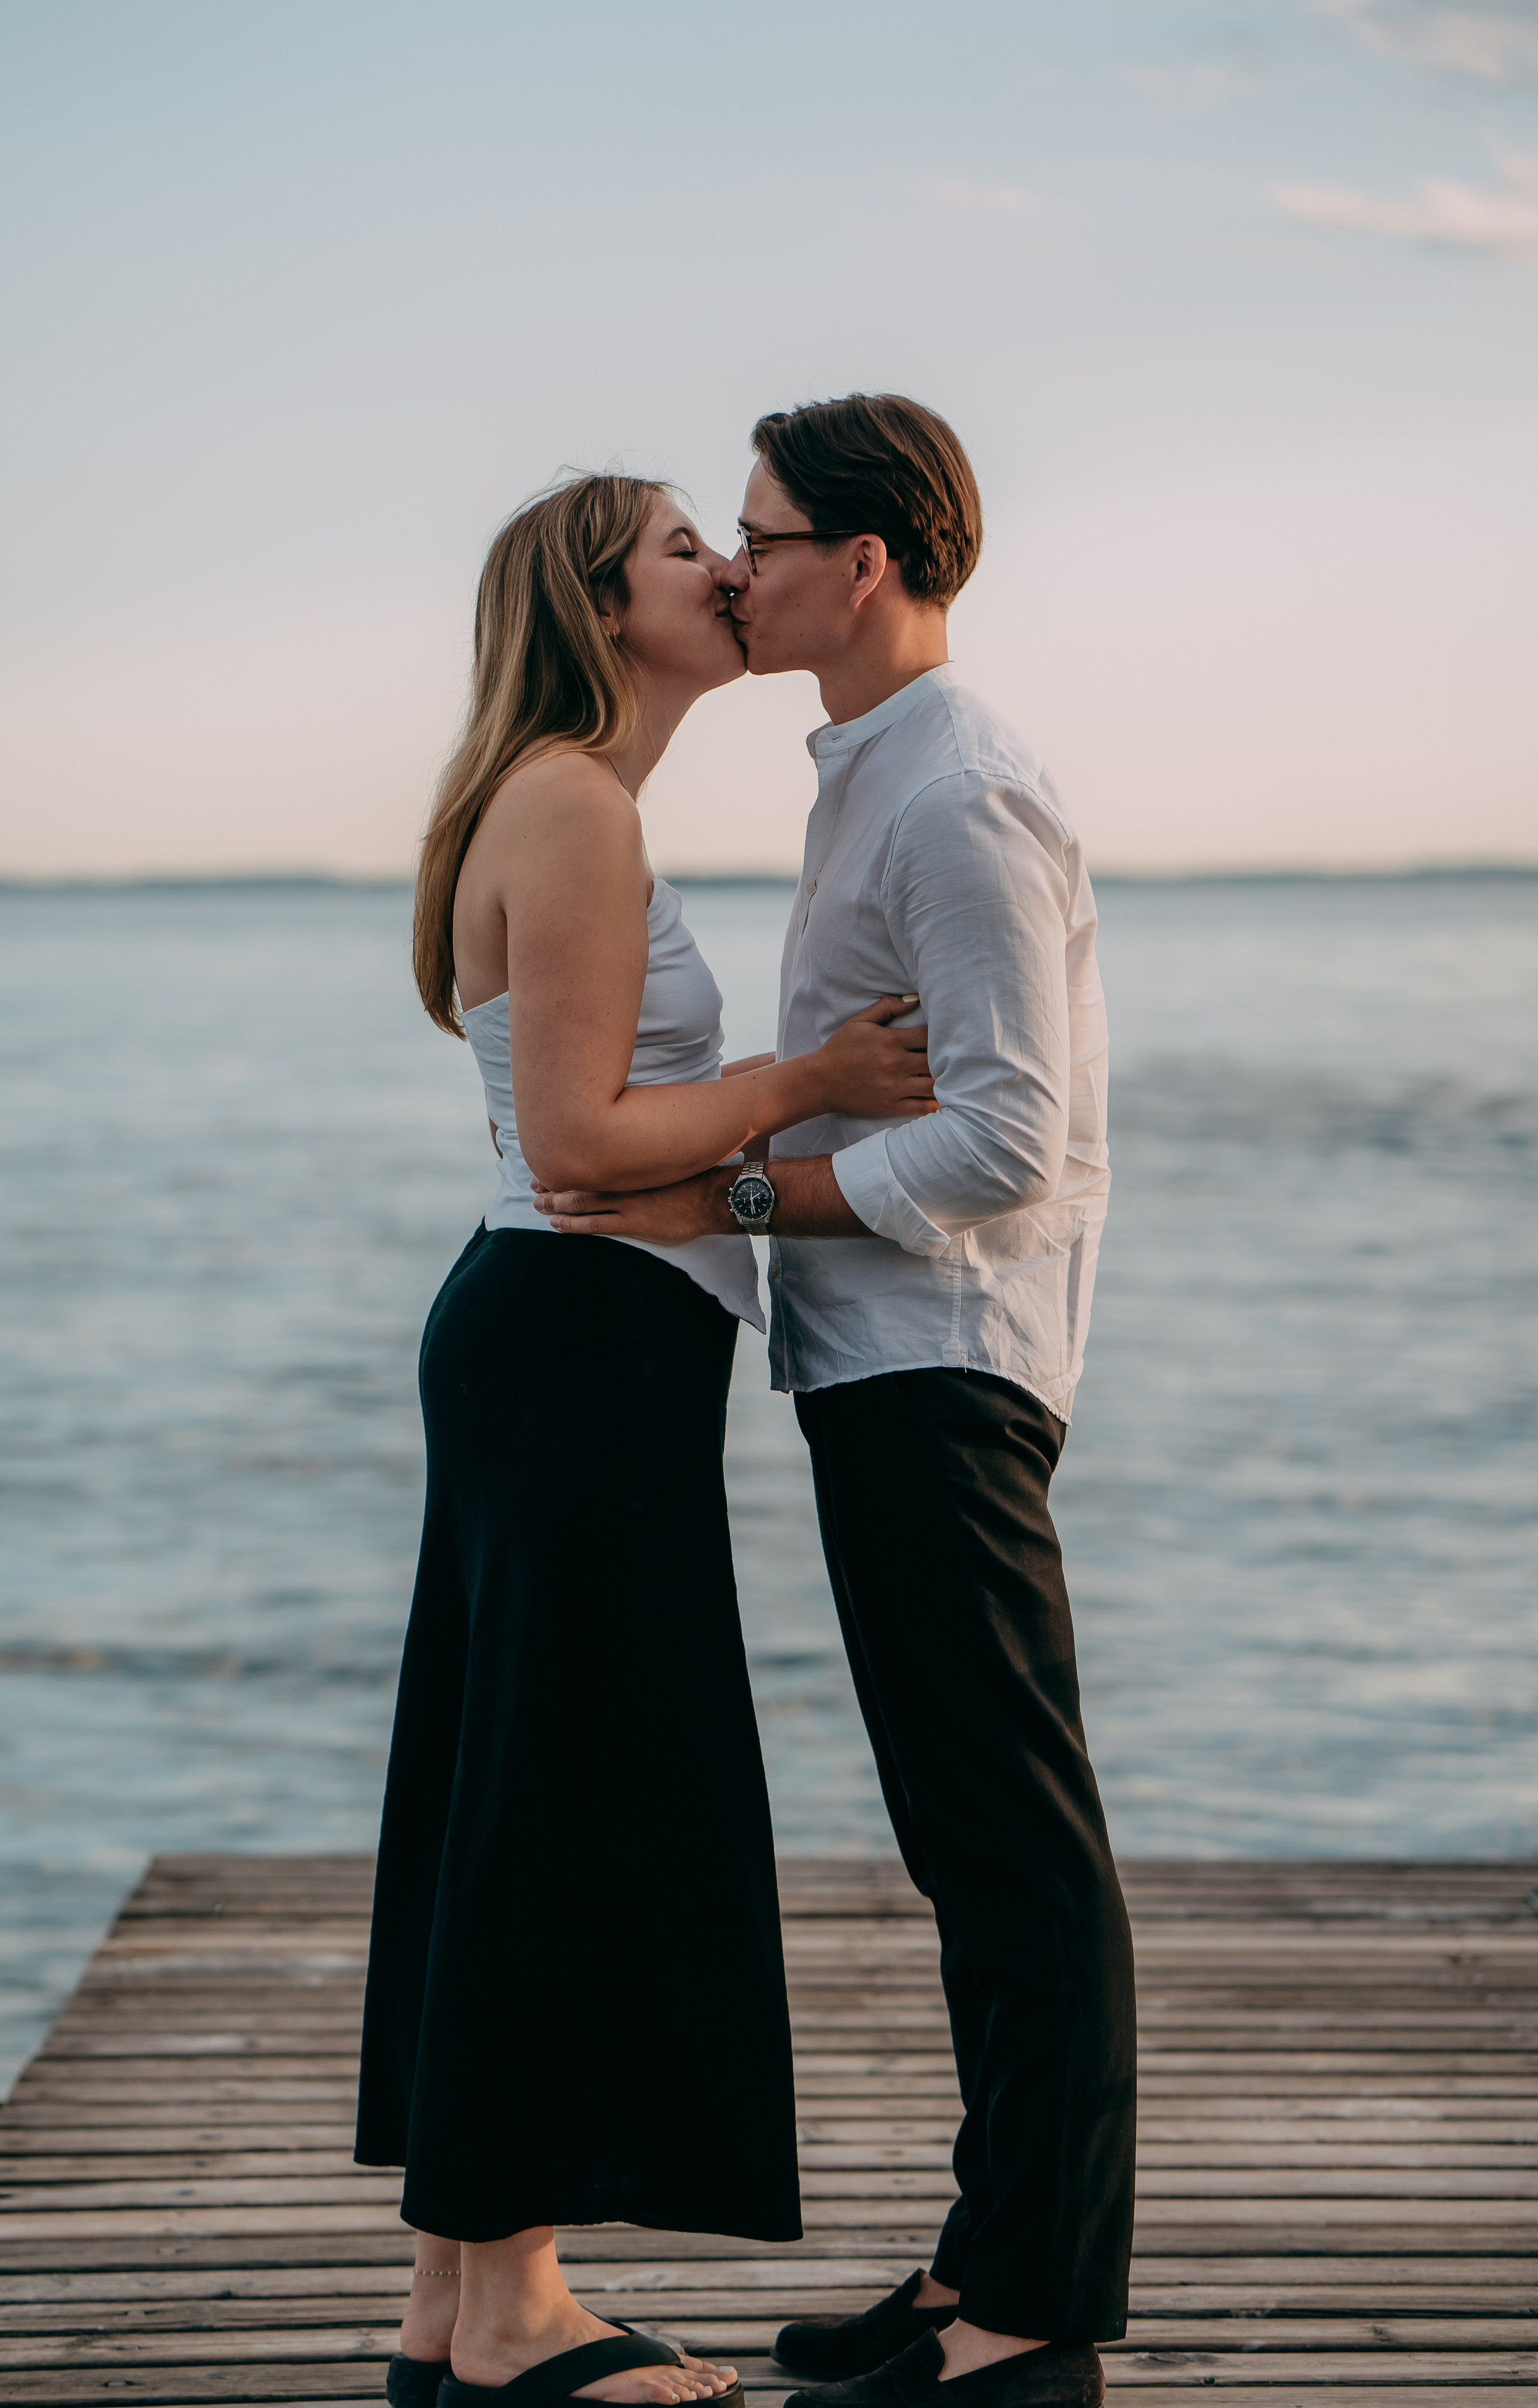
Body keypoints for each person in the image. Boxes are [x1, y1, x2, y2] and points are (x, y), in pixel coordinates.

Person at [533, 398, 1136, 2408]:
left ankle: (1033, 2318)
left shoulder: (955, 791)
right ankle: (985, 2260)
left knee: (1016, 1846)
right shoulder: (874, 772)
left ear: (860, 565)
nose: (738, 567)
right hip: (880, 1363)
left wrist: (731, 1194)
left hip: (947, 1368)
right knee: (968, 1840)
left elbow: (1011, 1145)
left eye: (766, 536)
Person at [353, 471, 937, 2408]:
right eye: (689, 548)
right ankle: (516, 2313)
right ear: (606, 607)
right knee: (555, 1805)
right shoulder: (575, 806)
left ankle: (454, 2303)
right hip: (578, 1344)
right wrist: (814, 1078)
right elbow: (586, 1144)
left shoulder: (558, 798)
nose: (728, 571)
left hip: (565, 1345)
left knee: (511, 1786)